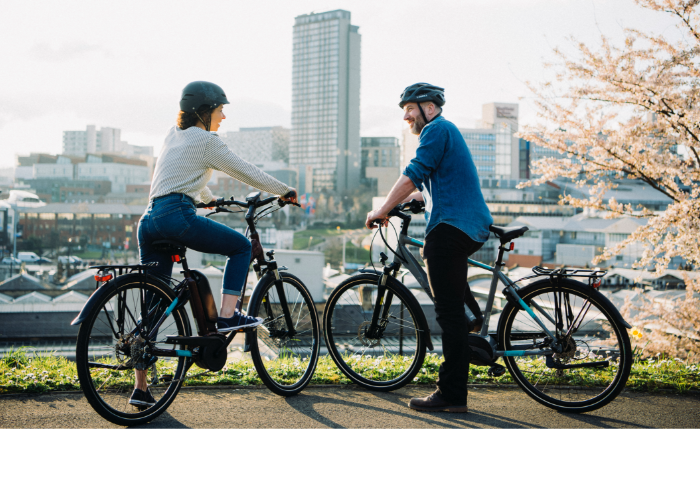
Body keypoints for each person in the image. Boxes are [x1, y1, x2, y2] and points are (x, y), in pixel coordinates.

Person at [131, 81, 296, 407]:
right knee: (240, 247)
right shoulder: (207, 140)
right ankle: (227, 315)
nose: (223, 117)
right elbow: (243, 170)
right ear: (204, 112)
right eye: (220, 111)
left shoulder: (172, 135)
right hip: (176, 215)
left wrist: (208, 199)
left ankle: (140, 388)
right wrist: (283, 190)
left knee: (152, 310)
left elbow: (178, 174)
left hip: (149, 221)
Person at [365, 82, 493, 413]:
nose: (406, 116)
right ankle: (472, 319)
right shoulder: (445, 131)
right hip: (465, 223)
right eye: (404, 110)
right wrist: (416, 199)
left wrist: (382, 209)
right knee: (449, 286)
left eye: (410, 109)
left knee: (446, 309)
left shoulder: (436, 130)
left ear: (429, 109)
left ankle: (451, 395)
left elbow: (414, 173)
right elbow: (436, 180)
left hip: (452, 226)